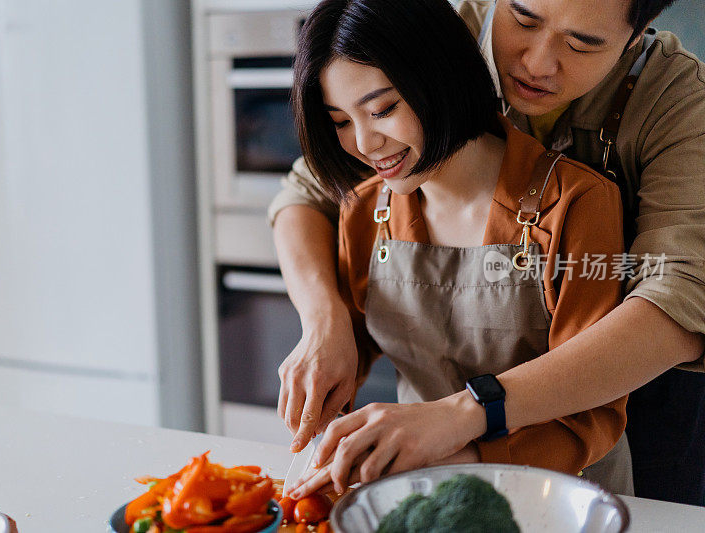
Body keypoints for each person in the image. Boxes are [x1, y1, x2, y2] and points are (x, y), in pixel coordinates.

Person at [274, 0, 705, 504]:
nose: (536, 64)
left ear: (637, 35)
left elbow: (682, 291)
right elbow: (313, 188)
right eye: (523, 18)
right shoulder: (437, 39)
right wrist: (326, 323)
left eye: (582, 43)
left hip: (628, 384)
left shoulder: (672, 106)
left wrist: (460, 424)